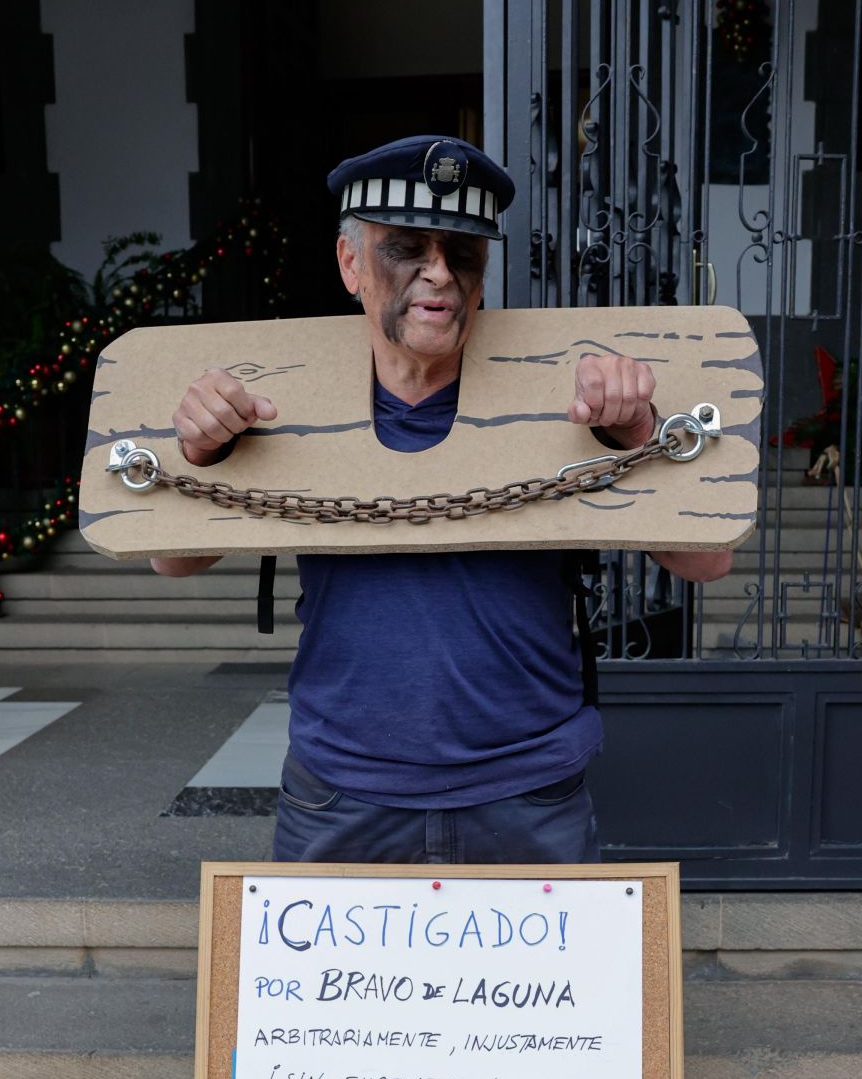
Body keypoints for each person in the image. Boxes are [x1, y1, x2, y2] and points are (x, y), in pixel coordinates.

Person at [152, 135, 733, 864]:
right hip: (342, 791)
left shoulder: (569, 402)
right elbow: (172, 561)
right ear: (350, 264)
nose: (440, 274)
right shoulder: (281, 409)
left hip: (528, 792)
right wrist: (206, 450)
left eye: (462, 251)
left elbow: (708, 560)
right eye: (406, 248)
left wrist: (639, 435)